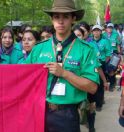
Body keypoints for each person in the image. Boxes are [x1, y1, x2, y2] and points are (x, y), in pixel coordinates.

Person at [25, 0, 99, 131]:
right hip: (39, 110)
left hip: (67, 115)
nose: (60, 21)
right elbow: (19, 75)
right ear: (52, 19)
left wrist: (64, 73)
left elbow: (92, 87)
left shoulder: (86, 50)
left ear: (73, 19)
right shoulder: (39, 49)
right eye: (56, 17)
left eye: (65, 16)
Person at [103, 23, 122, 91]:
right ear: (106, 28)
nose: (110, 29)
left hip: (114, 53)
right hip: (106, 54)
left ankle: (112, 84)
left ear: (113, 28)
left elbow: (118, 45)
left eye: (111, 28)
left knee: (112, 69)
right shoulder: (103, 35)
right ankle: (107, 83)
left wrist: (119, 54)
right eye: (109, 27)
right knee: (105, 69)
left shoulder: (116, 35)